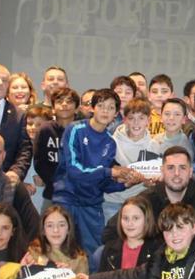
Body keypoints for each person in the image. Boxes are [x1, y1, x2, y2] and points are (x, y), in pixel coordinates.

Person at [52, 89, 138, 260]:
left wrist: (124, 184)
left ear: (116, 113)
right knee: (59, 253)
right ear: (92, 108)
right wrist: (110, 171)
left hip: (92, 205)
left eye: (111, 107)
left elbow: (103, 182)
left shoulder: (110, 142)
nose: (105, 111)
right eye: (101, 106)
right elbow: (74, 171)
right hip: (67, 200)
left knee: (93, 256)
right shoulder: (75, 129)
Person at [102, 146, 195, 242]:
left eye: (182, 167)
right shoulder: (146, 200)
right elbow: (109, 233)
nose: (177, 173)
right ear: (162, 171)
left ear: (190, 172)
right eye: (171, 168)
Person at [102, 98, 161, 222]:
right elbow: (105, 172)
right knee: (110, 238)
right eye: (131, 118)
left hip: (139, 202)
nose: (136, 123)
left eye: (141, 118)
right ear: (124, 120)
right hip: (112, 201)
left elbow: (153, 178)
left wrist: (150, 182)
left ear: (148, 121)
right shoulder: (110, 142)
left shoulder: (154, 145)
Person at [33, 87, 79, 211]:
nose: (64, 104)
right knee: (47, 227)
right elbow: (39, 162)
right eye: (59, 102)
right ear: (53, 108)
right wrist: (56, 182)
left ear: (76, 108)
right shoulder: (45, 129)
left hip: (80, 193)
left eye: (69, 101)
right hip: (53, 192)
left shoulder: (83, 129)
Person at [23, 105, 53, 211]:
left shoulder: (52, 148)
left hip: (45, 198)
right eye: (30, 124)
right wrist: (21, 185)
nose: (33, 128)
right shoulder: (20, 148)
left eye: (39, 124)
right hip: (26, 198)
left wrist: (46, 180)